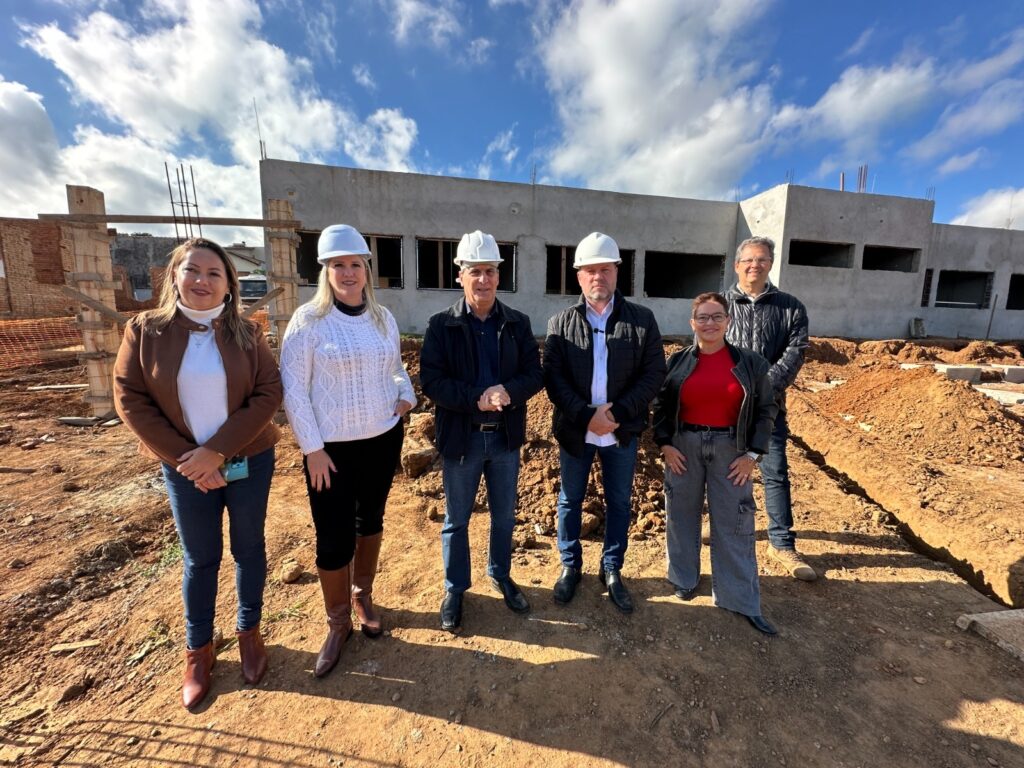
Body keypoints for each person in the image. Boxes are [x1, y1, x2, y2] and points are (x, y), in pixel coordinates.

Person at [113, 237, 283, 709]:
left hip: (249, 460)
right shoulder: (146, 331)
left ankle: (249, 632)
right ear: (174, 276)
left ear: (229, 284)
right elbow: (130, 399)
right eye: (193, 271)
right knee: (200, 558)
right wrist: (191, 460)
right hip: (184, 469)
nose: (202, 281)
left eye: (214, 273)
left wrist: (218, 452)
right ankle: (199, 652)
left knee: (249, 548)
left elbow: (269, 394)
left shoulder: (248, 334)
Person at [280, 224, 415, 677]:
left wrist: (404, 396)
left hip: (381, 440)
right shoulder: (309, 321)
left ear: (366, 269)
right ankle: (337, 622)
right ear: (325, 270)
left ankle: (362, 595)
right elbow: (294, 390)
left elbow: (396, 368)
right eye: (338, 264)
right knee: (332, 535)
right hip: (330, 451)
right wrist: (312, 448)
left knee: (370, 520)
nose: (348, 272)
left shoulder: (383, 318)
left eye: (356, 264)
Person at [420, 231, 544, 632]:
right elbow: (432, 382)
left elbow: (534, 374)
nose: (484, 280)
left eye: (490, 271)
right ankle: (456, 588)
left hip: (505, 437)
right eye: (475, 271)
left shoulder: (516, 323)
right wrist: (477, 396)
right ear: (461, 275)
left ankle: (501, 574)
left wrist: (507, 391)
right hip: (463, 438)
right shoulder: (441, 325)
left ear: (498, 275)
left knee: (505, 516)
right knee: (457, 519)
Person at [544, 232, 666, 613]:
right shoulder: (561, 322)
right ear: (579, 276)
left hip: (621, 430)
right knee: (570, 500)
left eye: (605, 269)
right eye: (590, 270)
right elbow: (554, 377)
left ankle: (612, 567)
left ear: (617, 272)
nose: (598, 277)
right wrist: (585, 415)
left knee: (617, 501)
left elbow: (653, 374)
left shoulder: (642, 320)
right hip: (576, 430)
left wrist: (615, 414)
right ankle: (570, 566)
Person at [653, 292, 779, 635]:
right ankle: (684, 578)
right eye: (703, 317)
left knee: (735, 523)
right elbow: (662, 407)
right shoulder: (677, 362)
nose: (710, 323)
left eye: (717, 317)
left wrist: (752, 454)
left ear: (728, 321)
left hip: (731, 450)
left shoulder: (750, 363)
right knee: (680, 515)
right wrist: (665, 444)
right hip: (683, 447)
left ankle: (739, 598)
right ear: (692, 323)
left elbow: (767, 409)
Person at [725, 236, 814, 581]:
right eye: (747, 260)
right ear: (737, 265)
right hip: (726, 409)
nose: (754, 265)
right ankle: (731, 535)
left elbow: (795, 353)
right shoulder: (721, 305)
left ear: (770, 264)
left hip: (769, 410)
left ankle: (781, 543)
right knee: (726, 473)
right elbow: (707, 349)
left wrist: (761, 389)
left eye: (761, 259)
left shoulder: (791, 307)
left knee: (774, 473)